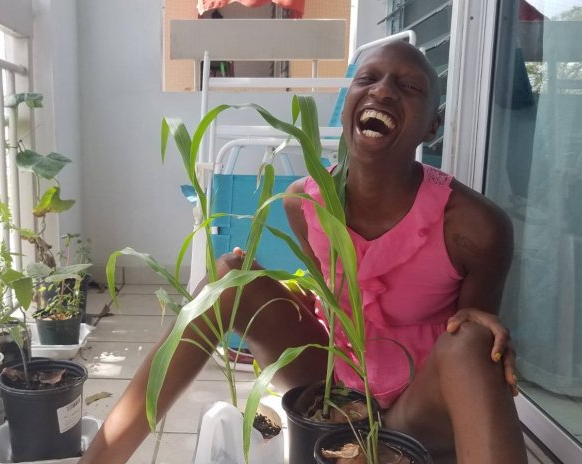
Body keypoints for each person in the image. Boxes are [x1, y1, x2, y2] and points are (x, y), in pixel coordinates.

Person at [81, 41, 527, 464]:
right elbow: (336, 306)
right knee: (230, 277)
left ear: (433, 125)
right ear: (349, 102)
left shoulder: (474, 226)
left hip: (418, 413)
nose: (383, 91)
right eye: (367, 79)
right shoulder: (304, 203)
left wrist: (483, 342)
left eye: (408, 86)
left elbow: (477, 351)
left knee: (474, 339)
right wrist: (288, 299)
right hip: (337, 389)